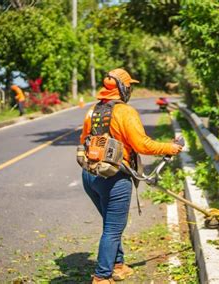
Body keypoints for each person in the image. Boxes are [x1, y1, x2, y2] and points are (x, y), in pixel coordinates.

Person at [79, 68, 183, 283]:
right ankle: (101, 276)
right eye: (130, 86)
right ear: (123, 88)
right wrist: (170, 148)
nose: (131, 90)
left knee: (111, 224)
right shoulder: (125, 112)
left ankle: (118, 265)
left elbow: (84, 139)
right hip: (114, 177)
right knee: (114, 228)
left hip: (90, 175)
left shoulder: (92, 111)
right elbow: (142, 145)